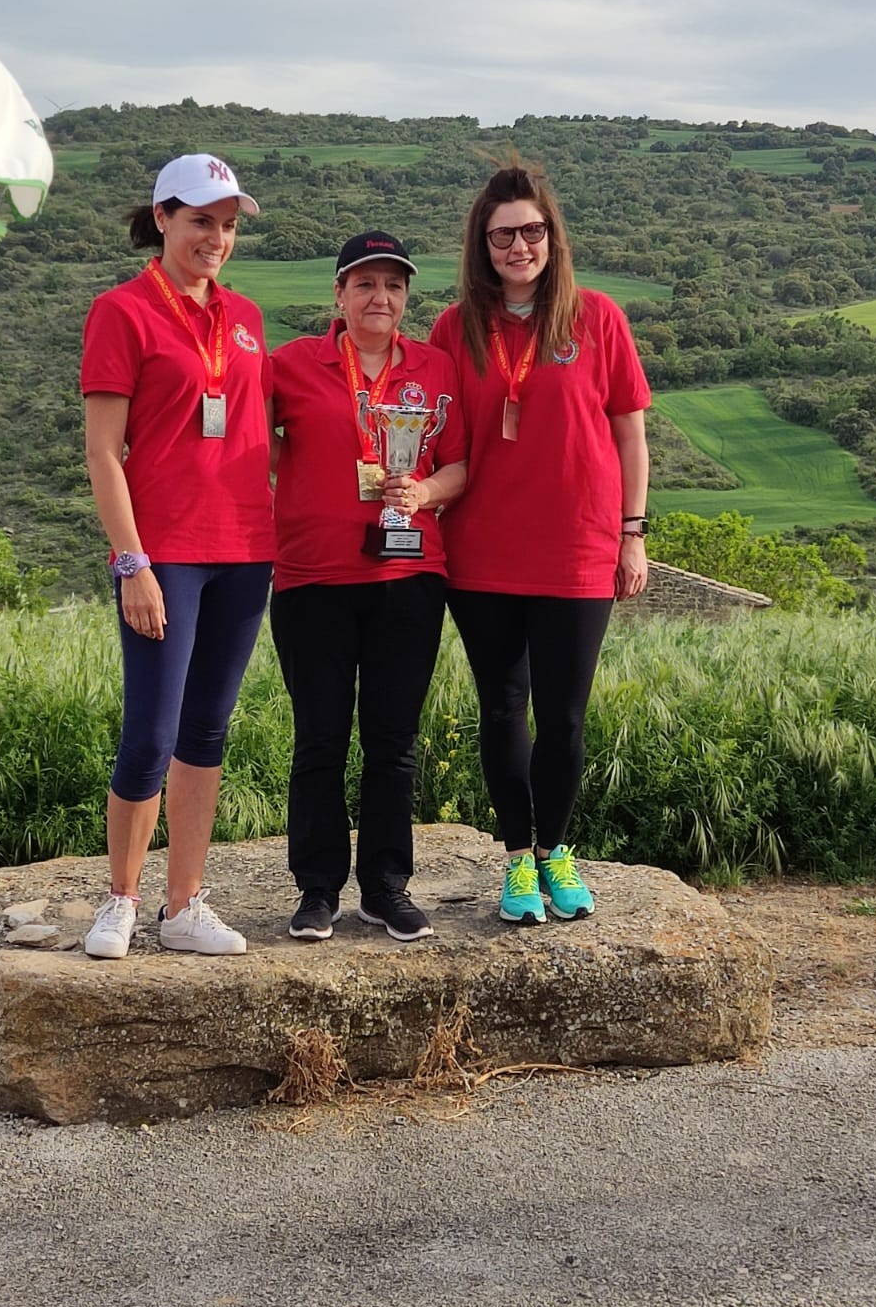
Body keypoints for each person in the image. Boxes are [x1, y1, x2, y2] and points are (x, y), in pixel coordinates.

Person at [429, 162, 651, 925]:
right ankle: (517, 860)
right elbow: (432, 437)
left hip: (578, 547)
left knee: (564, 715)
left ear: (552, 236)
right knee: (503, 709)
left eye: (531, 230)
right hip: (482, 550)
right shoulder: (454, 328)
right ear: (482, 245)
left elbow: (629, 431)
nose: (519, 245)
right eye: (502, 235)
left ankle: (558, 851)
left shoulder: (597, 318)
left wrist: (633, 533)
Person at [79, 154, 275, 960]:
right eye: (201, 221)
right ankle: (121, 898)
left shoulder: (248, 317)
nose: (216, 238)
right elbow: (102, 452)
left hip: (246, 550)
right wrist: (133, 564)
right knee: (150, 732)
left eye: (228, 225)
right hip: (164, 557)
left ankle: (184, 904)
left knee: (207, 730)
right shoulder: (121, 311)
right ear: (161, 218)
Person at [270, 231, 467, 942]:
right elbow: (246, 450)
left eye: (393, 285)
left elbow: (461, 468)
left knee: (393, 740)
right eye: (365, 284)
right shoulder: (290, 365)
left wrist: (421, 490)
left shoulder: (435, 368)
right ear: (339, 293)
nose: (380, 297)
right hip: (310, 577)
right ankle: (317, 888)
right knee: (319, 738)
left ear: (406, 297)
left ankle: (386, 886)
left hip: (409, 576)